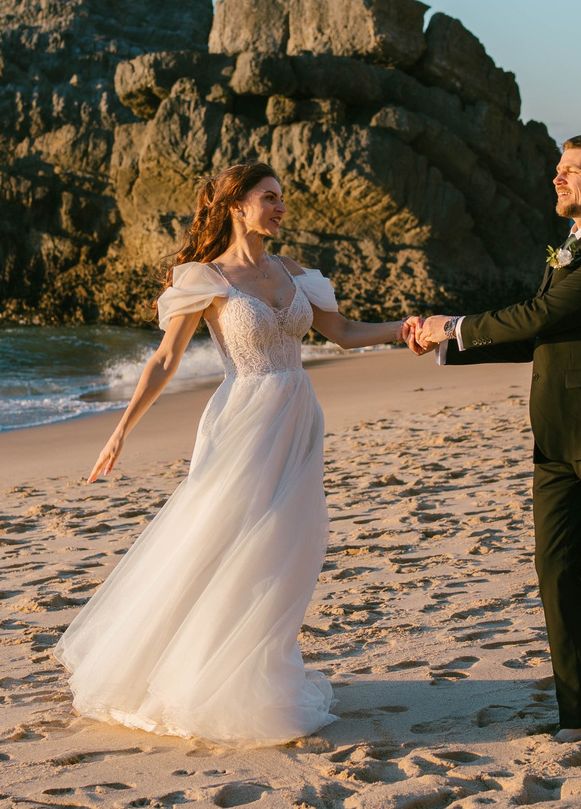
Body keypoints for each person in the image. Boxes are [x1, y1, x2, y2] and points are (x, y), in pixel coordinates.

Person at [59, 163, 407, 744]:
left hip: (298, 418)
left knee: (287, 548)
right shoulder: (206, 278)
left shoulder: (296, 273)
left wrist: (409, 329)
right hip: (241, 424)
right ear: (236, 207)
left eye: (281, 198)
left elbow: (343, 332)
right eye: (268, 197)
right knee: (222, 543)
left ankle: (260, 674)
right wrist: (121, 429)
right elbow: (166, 360)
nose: (280, 207)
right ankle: (192, 675)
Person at [404, 133, 581, 741]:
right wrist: (447, 343)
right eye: (557, 169)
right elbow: (540, 335)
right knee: (554, 570)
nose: (558, 178)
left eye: (572, 170)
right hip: (555, 434)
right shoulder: (569, 246)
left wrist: (457, 323)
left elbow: (541, 316)